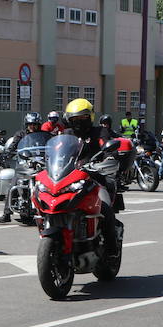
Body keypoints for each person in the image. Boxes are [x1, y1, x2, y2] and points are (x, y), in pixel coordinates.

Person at [61, 99, 121, 241]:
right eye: (75, 118)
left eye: (83, 117)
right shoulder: (66, 134)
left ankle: (111, 246)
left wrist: (108, 159)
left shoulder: (100, 132)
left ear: (90, 117)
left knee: (104, 206)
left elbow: (107, 149)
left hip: (94, 178)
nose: (79, 121)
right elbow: (55, 151)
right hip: (69, 177)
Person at [0, 112, 47, 223]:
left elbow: (51, 145)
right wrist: (8, 152)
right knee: (13, 184)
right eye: (30, 124)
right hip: (24, 164)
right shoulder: (21, 134)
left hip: (41, 164)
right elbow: (13, 145)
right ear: (26, 125)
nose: (32, 127)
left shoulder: (44, 135)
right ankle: (6, 214)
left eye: (35, 124)